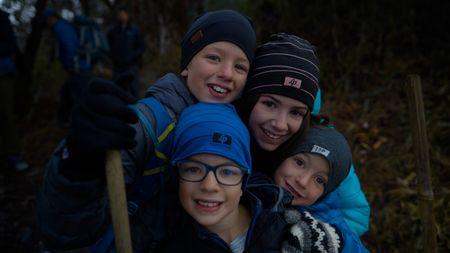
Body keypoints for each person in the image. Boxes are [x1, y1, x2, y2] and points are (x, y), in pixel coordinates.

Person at [35, 9, 256, 253]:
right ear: (186, 65)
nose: (226, 73)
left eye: (240, 66)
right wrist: (79, 165)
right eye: (214, 58)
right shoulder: (147, 124)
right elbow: (64, 228)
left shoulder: (240, 128)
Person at [236, 32, 371, 236]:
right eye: (270, 104)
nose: (280, 124)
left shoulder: (324, 148)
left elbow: (355, 213)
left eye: (296, 112)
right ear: (250, 97)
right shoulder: (227, 130)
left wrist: (322, 238)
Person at [164, 102, 343, 253]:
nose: (209, 186)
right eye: (194, 169)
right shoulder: (170, 244)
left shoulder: (290, 230)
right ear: (176, 174)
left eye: (227, 171)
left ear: (245, 178)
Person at [273, 124, 369, 252]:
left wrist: (337, 245)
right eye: (300, 162)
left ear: (327, 191)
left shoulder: (328, 223)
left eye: (319, 180)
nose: (303, 182)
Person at [42, 8, 92, 127]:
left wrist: (71, 65)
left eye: (46, 20)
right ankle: (65, 121)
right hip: (79, 67)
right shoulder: (65, 26)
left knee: (80, 97)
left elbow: (70, 47)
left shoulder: (60, 28)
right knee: (68, 93)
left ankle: (86, 124)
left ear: (51, 18)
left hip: (77, 68)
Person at [0, 9, 31, 172]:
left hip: (3, 73)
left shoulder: (2, 18)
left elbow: (10, 45)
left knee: (5, 114)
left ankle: (13, 155)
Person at [107, 4, 146, 97]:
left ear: (127, 15)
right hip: (117, 67)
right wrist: (113, 58)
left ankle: (136, 110)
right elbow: (109, 46)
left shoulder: (134, 30)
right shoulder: (112, 31)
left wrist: (133, 55)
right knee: (117, 90)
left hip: (131, 65)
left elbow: (142, 46)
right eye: (119, 14)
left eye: (123, 14)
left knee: (134, 89)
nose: (121, 16)